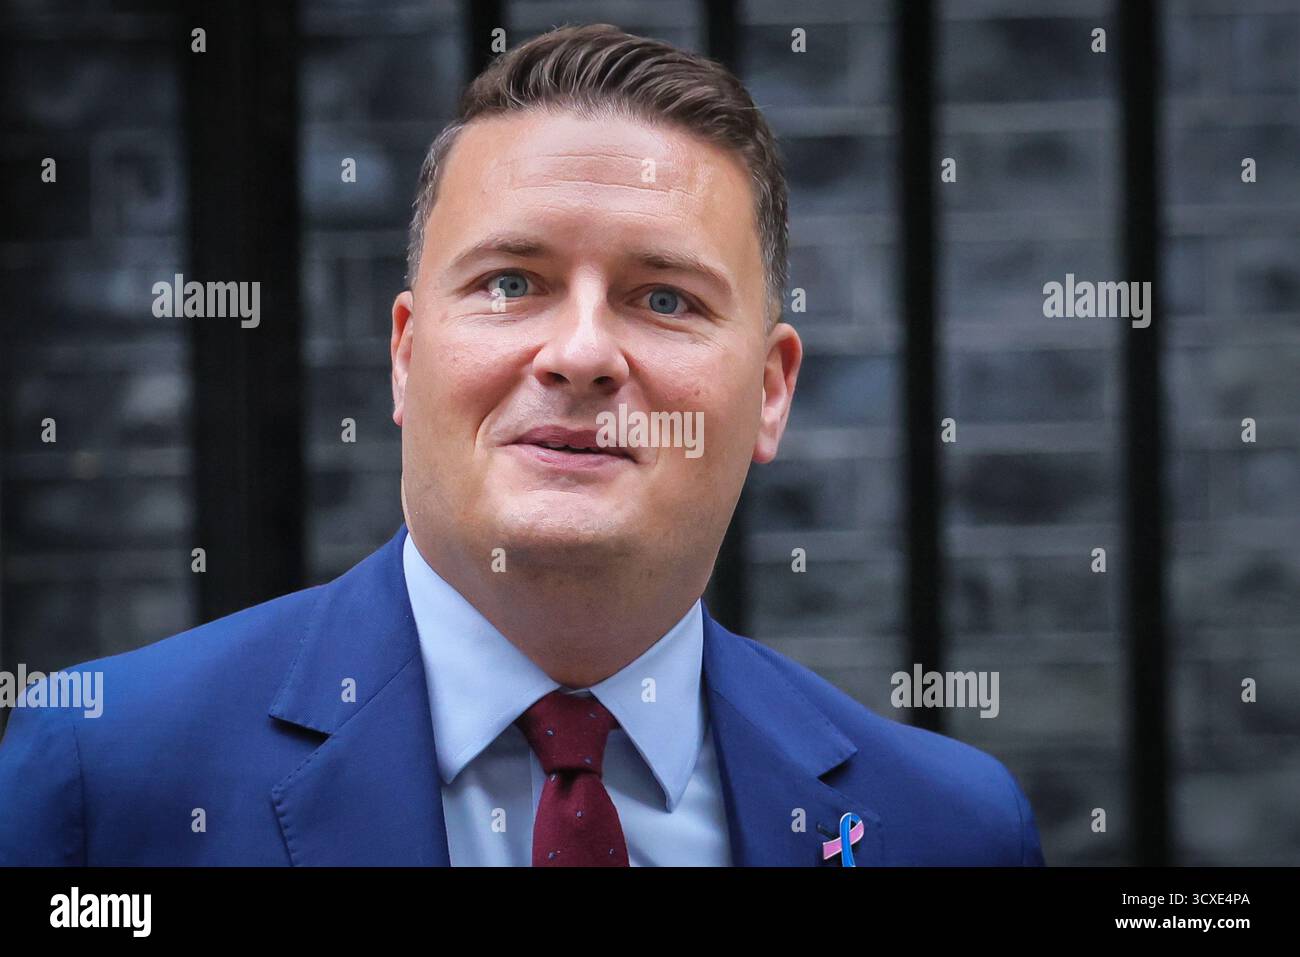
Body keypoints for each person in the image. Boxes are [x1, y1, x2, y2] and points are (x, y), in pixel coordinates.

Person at [0, 24, 1044, 866]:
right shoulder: (111, 776)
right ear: (406, 357)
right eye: (511, 283)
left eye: (664, 297)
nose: (581, 354)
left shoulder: (944, 827)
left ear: (770, 392)